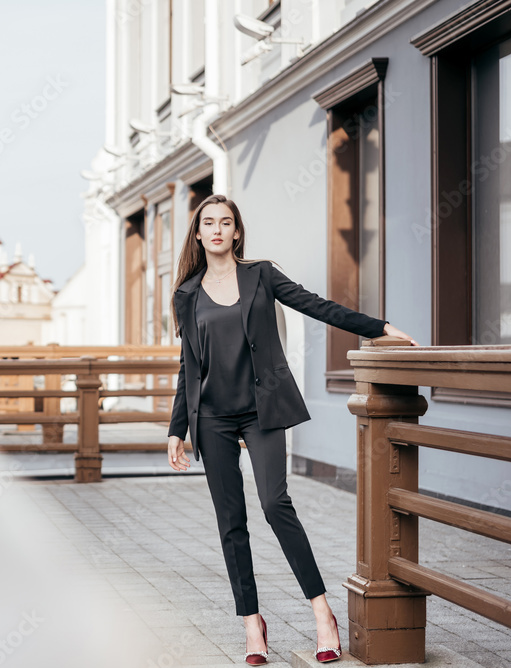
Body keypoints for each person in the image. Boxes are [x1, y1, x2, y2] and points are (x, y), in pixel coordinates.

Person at [165, 194, 418, 665]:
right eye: (208, 223)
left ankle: (322, 613)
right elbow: (188, 366)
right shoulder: (187, 294)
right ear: (198, 234)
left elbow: (316, 305)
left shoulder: (260, 275)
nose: (217, 230)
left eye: (226, 222)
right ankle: (252, 624)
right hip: (212, 419)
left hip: (262, 411)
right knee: (230, 520)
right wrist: (176, 428)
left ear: (237, 232)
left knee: (274, 502)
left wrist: (379, 327)